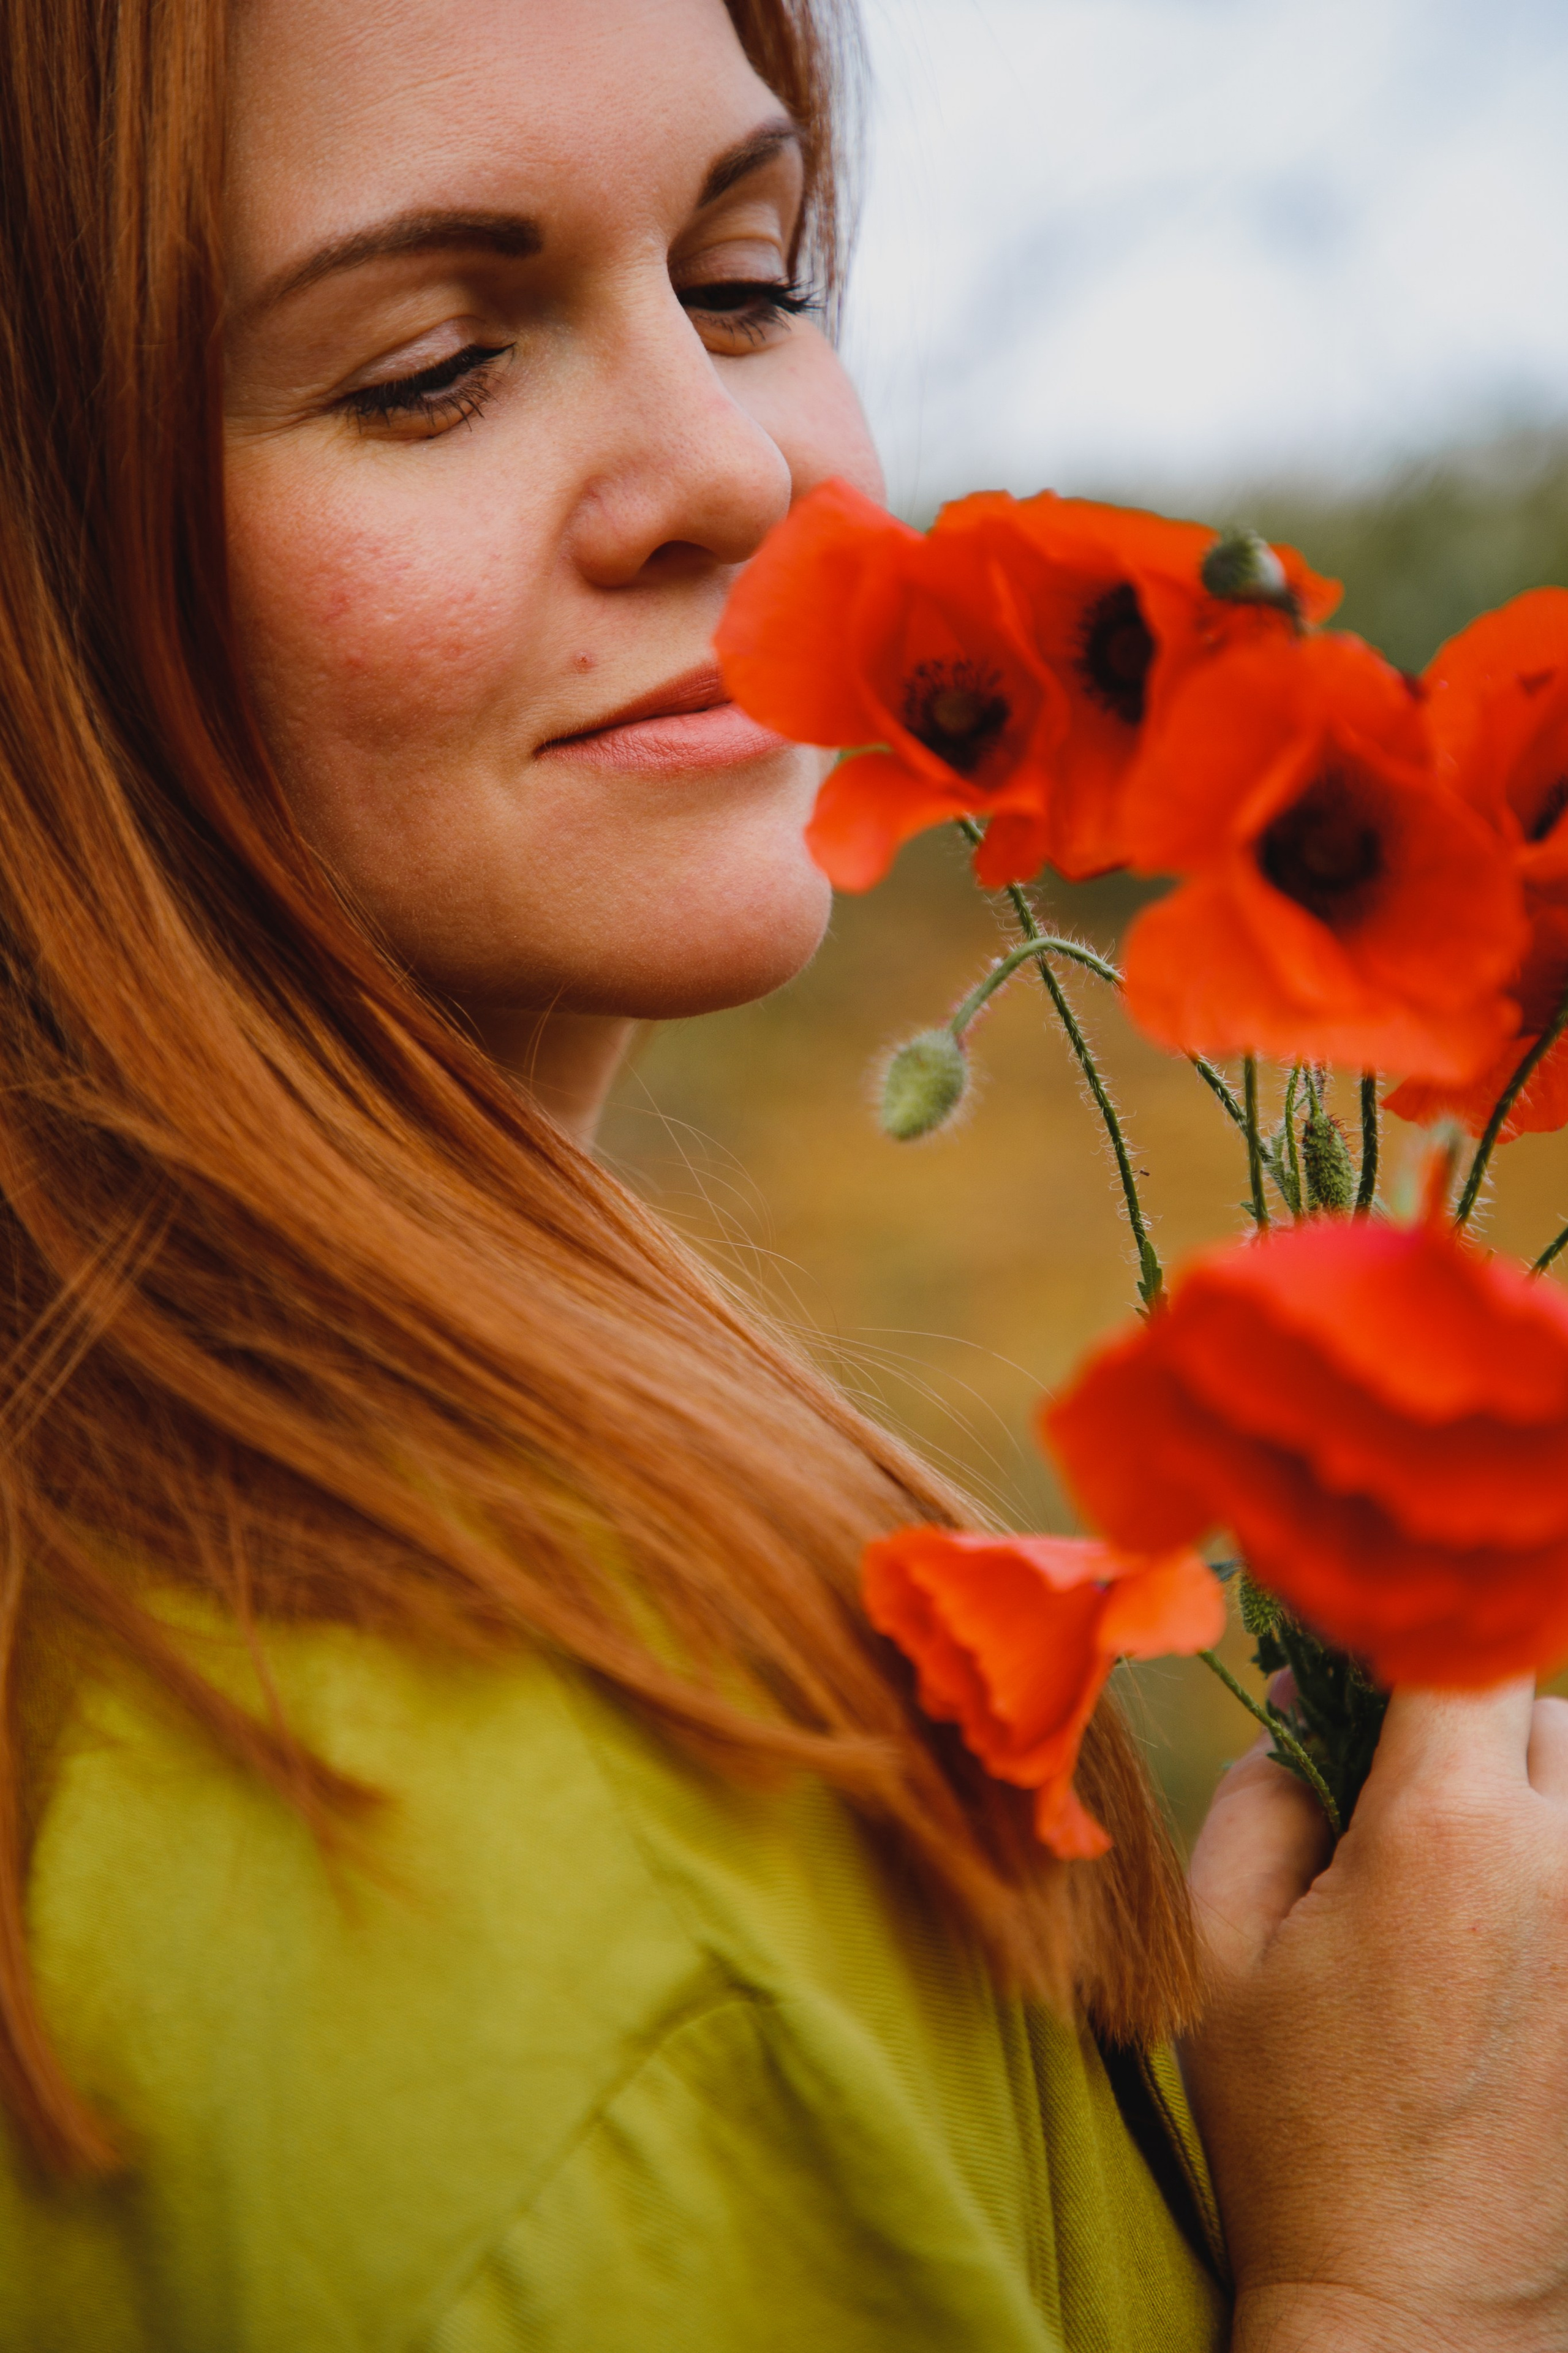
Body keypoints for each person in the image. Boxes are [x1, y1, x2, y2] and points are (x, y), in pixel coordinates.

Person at [1, 0, 1566, 2344]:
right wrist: (1417, 2289)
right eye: (433, 363)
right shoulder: (592, 1912)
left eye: (747, 278)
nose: (732, 468)